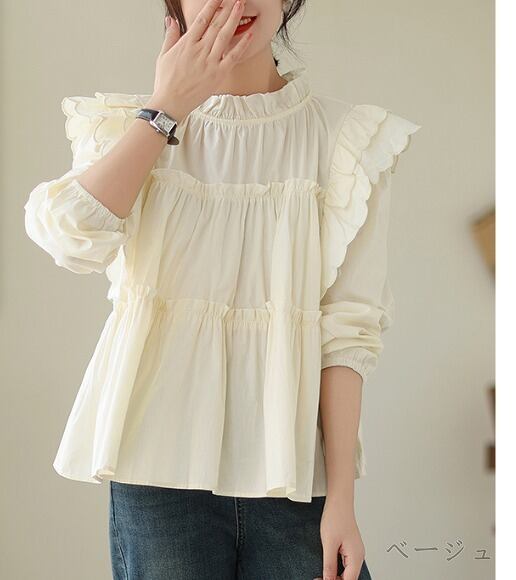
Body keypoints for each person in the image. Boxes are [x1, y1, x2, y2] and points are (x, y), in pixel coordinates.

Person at [23, 0, 421, 578]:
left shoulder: (346, 143)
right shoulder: (131, 128)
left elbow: (346, 336)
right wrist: (165, 109)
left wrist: (341, 500)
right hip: (155, 475)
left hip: (293, 480)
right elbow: (68, 238)